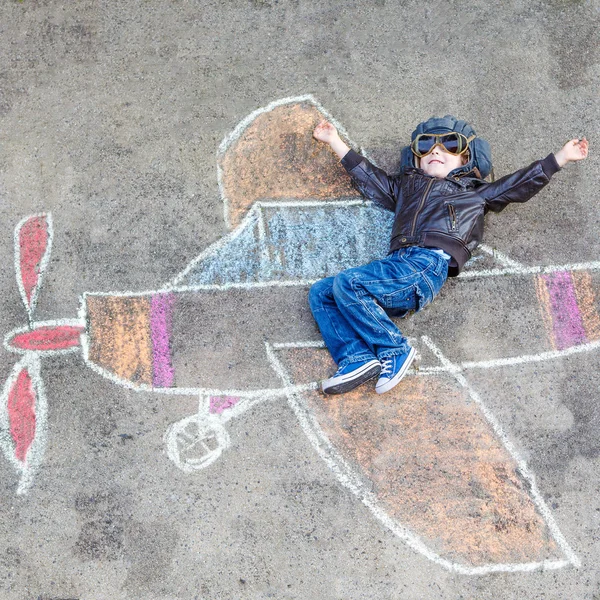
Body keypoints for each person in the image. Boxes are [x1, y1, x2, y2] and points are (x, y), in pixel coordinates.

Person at [308, 116, 589, 395]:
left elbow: (518, 184)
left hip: (426, 265)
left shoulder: (475, 193)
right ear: (414, 160)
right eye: (426, 148)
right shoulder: (406, 189)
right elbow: (370, 177)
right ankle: (356, 358)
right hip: (398, 266)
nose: (436, 152)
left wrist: (561, 157)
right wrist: (334, 141)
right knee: (322, 292)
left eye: (449, 147)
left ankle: (394, 350)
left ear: (467, 159)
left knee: (349, 283)